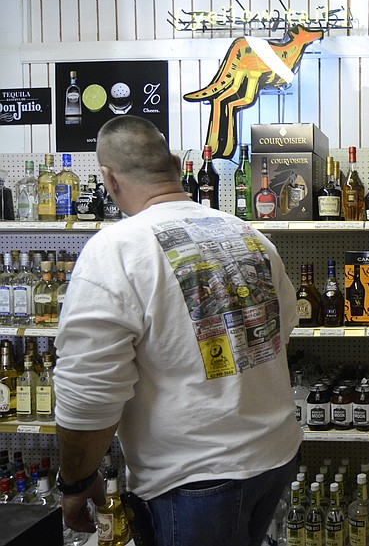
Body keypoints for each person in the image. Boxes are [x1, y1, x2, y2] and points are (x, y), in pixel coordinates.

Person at [53, 115, 302, 546]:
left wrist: (75, 483)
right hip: (275, 457)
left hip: (194, 480)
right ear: (173, 163)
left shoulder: (116, 250)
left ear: (109, 180)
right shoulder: (249, 235)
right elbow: (284, 326)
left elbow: (88, 394)